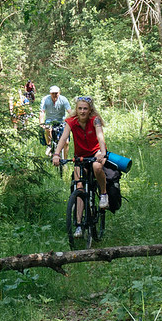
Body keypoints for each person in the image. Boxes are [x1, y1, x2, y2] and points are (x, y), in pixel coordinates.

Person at [51, 96, 109, 238]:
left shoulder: (94, 120)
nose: (82, 111)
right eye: (80, 108)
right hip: (80, 156)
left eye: (85, 109)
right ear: (76, 110)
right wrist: (56, 154)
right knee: (79, 187)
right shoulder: (71, 122)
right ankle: (78, 225)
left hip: (96, 153)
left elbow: (100, 136)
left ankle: (103, 194)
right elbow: (63, 138)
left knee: (97, 167)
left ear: (90, 110)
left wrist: (103, 153)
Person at [39, 85, 71, 156]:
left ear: (59, 93)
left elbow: (70, 111)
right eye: (52, 93)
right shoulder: (45, 99)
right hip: (49, 120)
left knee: (66, 142)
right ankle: (49, 145)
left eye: (56, 93)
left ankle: (64, 161)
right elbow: (42, 112)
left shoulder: (63, 99)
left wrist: (71, 121)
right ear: (50, 93)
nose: (54, 95)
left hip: (61, 121)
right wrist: (41, 123)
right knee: (47, 128)